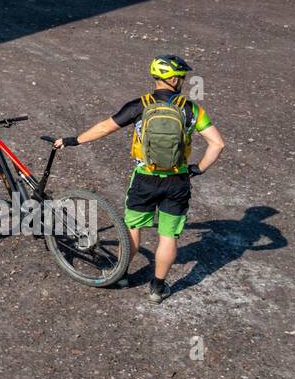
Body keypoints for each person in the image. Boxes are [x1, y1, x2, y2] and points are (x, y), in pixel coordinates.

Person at [54, 56, 225, 303]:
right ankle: (157, 288)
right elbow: (217, 144)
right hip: (177, 181)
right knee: (168, 236)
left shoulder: (140, 105)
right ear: (174, 78)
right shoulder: (191, 109)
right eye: (182, 78)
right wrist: (197, 169)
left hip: (144, 178)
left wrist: (74, 140)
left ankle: (121, 274)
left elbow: (105, 127)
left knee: (133, 229)